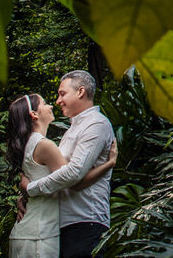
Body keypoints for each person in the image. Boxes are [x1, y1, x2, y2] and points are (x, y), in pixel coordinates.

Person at [19, 70, 117, 258]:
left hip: (85, 220)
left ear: (80, 92)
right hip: (63, 223)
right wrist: (24, 197)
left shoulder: (96, 124)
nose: (57, 101)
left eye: (62, 93)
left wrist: (30, 189)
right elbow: (57, 177)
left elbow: (74, 175)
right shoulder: (72, 130)